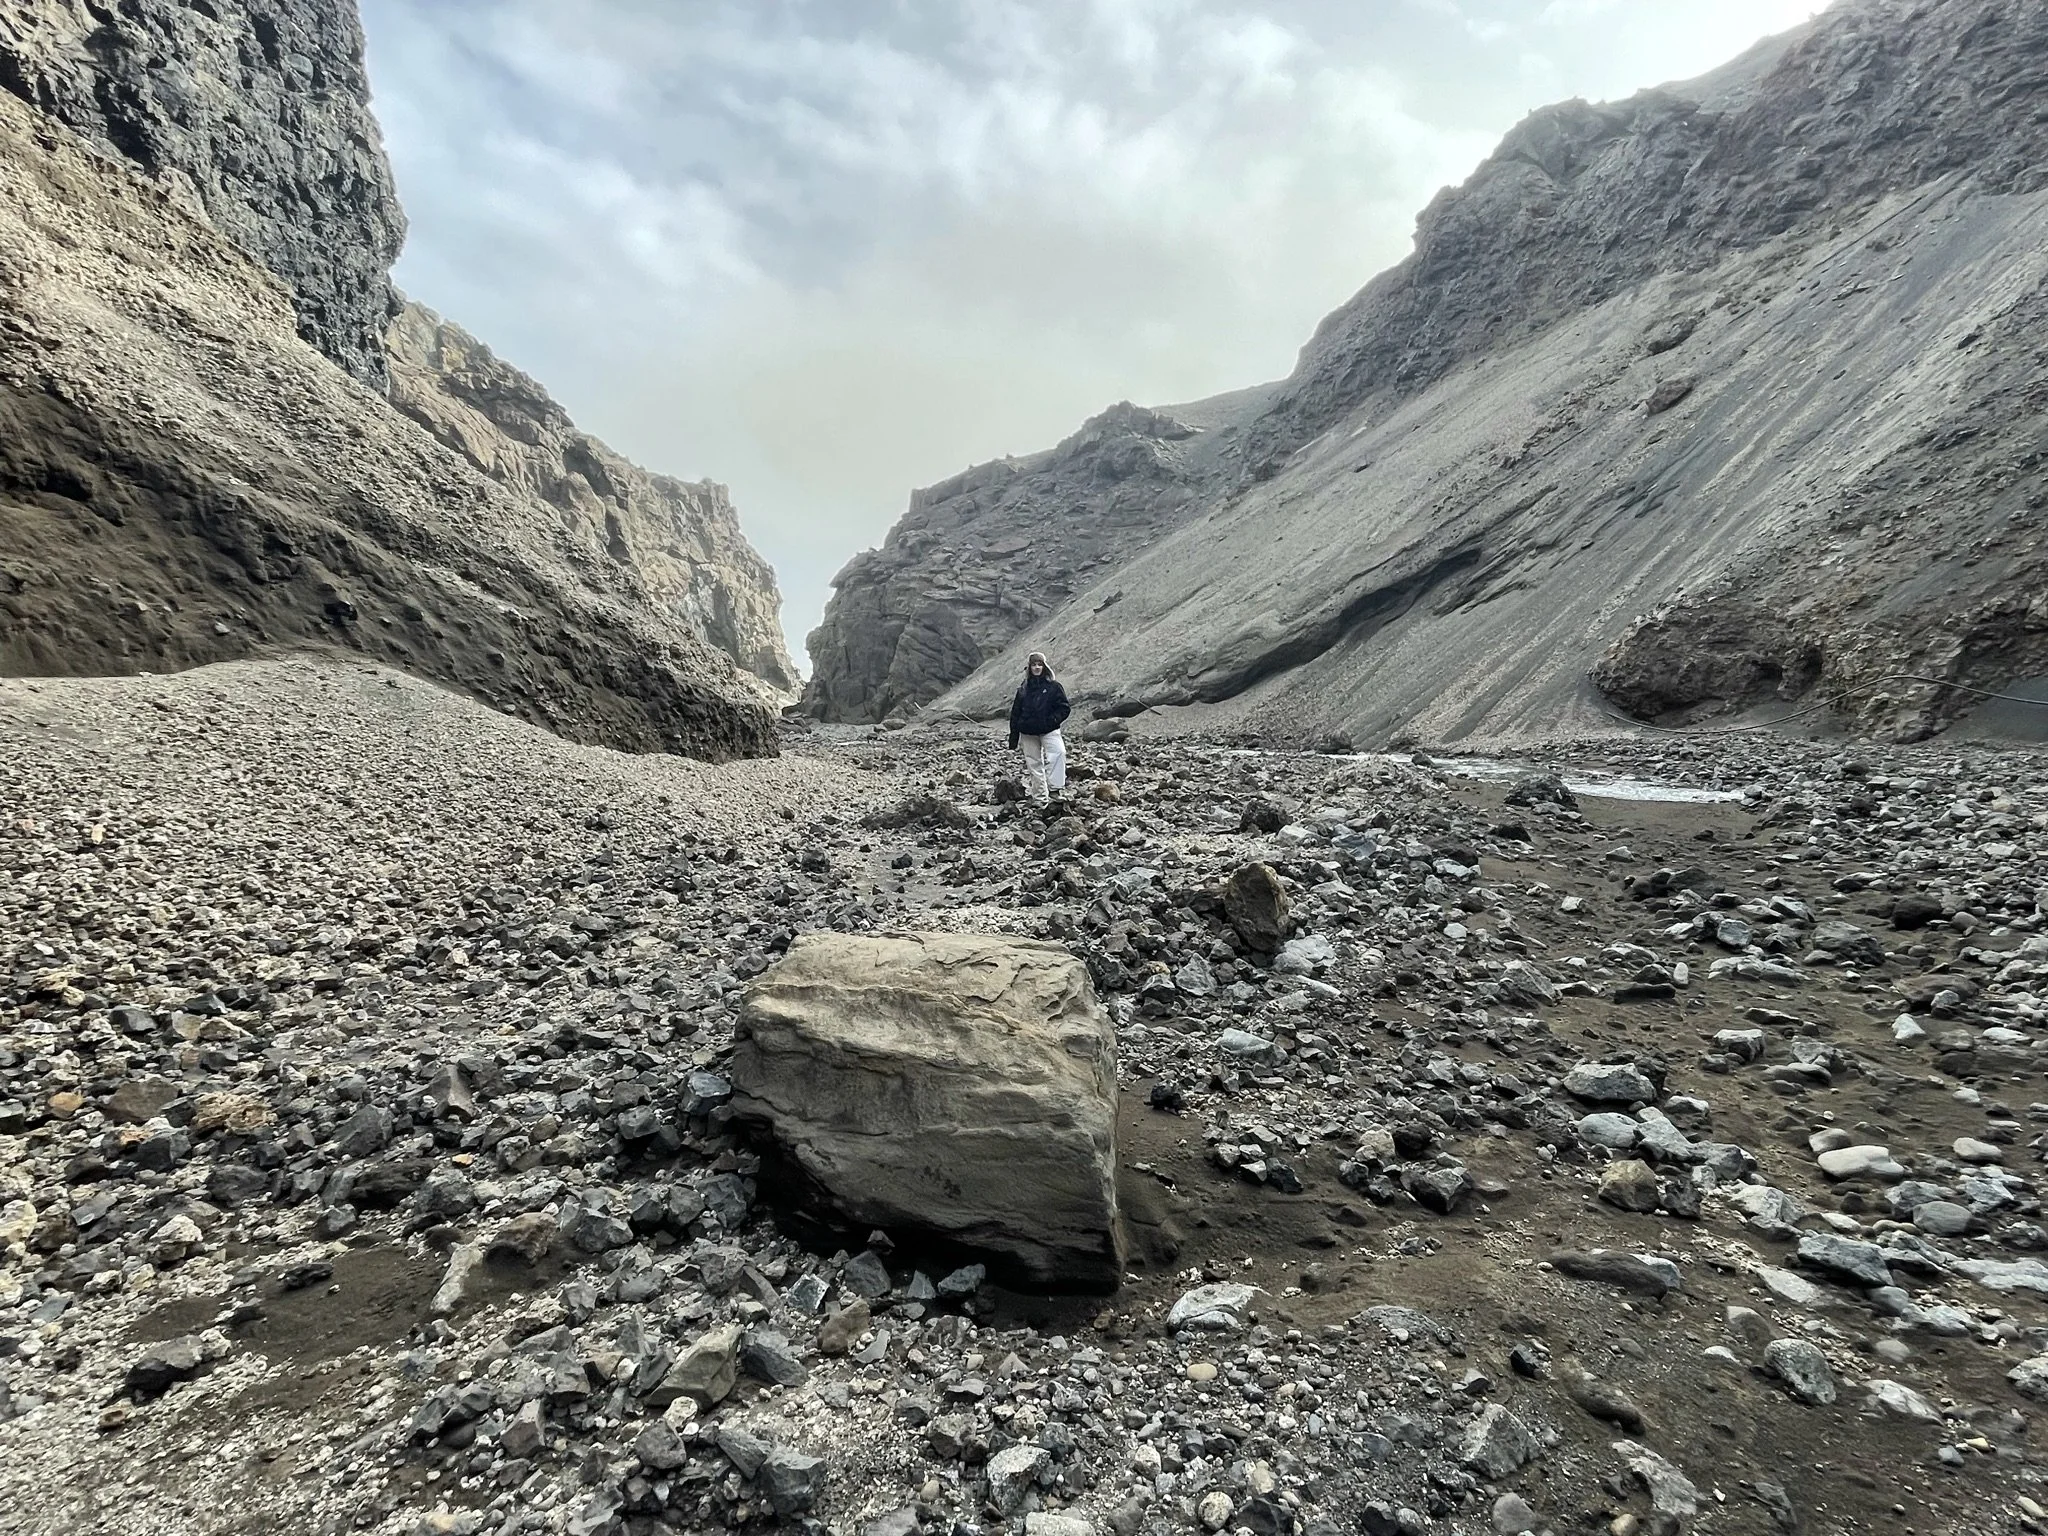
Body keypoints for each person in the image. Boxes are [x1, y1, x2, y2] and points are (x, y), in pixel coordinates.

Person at [1008, 651, 1070, 806]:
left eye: (1039, 664)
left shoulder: (1054, 687)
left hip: (1049, 729)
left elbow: (1064, 708)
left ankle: (1055, 790)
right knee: (1034, 764)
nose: (1036, 667)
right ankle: (1040, 798)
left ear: (1044, 666)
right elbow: (1015, 713)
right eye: (1034, 664)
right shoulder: (1023, 689)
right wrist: (1013, 739)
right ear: (1029, 667)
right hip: (1028, 732)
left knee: (1059, 753)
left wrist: (1052, 720)